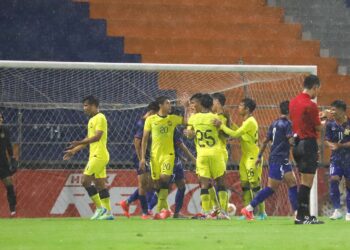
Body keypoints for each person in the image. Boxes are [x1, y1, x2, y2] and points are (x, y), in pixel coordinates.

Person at [240, 101, 298, 220]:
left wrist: (259, 156)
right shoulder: (287, 124)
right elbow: (291, 142)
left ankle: (297, 212)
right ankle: (249, 208)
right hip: (279, 158)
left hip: (280, 159)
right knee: (271, 188)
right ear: (289, 111)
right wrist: (298, 137)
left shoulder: (274, 123)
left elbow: (265, 141)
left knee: (292, 183)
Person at [214, 98, 266, 220]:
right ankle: (248, 213)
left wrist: (221, 125)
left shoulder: (250, 121)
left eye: (241, 105)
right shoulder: (246, 121)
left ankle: (262, 212)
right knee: (245, 185)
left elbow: (235, 134)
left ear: (247, 109)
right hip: (245, 157)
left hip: (253, 157)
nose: (238, 107)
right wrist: (230, 121)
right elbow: (239, 132)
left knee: (255, 185)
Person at [63, 95, 113, 220]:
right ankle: (108, 213)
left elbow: (97, 137)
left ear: (94, 105)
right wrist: (74, 150)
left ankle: (100, 208)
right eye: (84, 106)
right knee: (100, 185)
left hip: (99, 155)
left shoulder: (100, 117)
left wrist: (78, 142)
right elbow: (88, 141)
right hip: (95, 155)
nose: (84, 108)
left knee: (85, 181)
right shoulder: (91, 120)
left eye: (86, 105)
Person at [140, 96, 184, 219]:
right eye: (167, 103)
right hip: (154, 156)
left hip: (168, 155)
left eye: (170, 103)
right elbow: (144, 140)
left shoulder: (173, 119)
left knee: (165, 178)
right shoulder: (150, 119)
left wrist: (185, 106)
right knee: (157, 184)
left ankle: (160, 211)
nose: (170, 106)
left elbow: (188, 121)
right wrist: (143, 158)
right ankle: (165, 210)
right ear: (160, 105)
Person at [187, 94, 230, 219]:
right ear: (211, 105)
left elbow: (189, 133)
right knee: (221, 183)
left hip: (201, 154)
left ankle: (206, 212)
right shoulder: (216, 118)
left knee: (204, 184)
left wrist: (190, 133)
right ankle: (223, 212)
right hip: (216, 153)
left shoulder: (194, 119)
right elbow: (226, 135)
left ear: (201, 104)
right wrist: (221, 125)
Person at [289, 74, 324, 224]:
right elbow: (318, 127)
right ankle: (301, 216)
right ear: (315, 87)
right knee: (307, 182)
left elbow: (302, 120)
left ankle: (306, 215)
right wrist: (325, 121)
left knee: (305, 180)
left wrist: (319, 116)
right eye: (318, 89)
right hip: (308, 144)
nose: (318, 93)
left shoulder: (294, 102)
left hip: (297, 144)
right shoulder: (311, 105)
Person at [119, 101, 159, 219]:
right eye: (156, 114)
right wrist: (141, 158)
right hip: (141, 158)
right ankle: (145, 212)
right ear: (152, 112)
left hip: (148, 157)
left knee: (150, 185)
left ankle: (127, 202)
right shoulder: (143, 123)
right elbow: (136, 141)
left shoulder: (147, 122)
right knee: (143, 185)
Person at [324, 100, 350, 221]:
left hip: (348, 158)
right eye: (331, 109)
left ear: (342, 110)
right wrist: (331, 145)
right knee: (334, 179)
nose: (332, 112)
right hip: (336, 158)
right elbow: (326, 139)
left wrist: (341, 146)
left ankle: (349, 212)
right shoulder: (330, 124)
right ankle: (337, 210)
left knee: (349, 184)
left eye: (334, 110)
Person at [0, 112, 17, 216]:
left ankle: (12, 209)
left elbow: (9, 145)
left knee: (9, 185)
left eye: (1, 117)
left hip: (2, 163)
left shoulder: (5, 130)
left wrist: (12, 158)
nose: (0, 119)